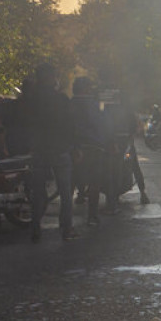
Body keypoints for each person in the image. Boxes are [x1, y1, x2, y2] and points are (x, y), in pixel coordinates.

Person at [18, 63, 75, 242]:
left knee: (38, 192)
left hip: (39, 151)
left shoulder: (30, 101)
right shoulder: (61, 99)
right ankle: (66, 228)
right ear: (52, 79)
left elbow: (26, 126)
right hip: (59, 150)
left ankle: (35, 228)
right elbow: (69, 126)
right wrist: (73, 147)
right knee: (66, 192)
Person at [69, 77, 105, 225]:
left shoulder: (69, 104)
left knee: (70, 182)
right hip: (92, 147)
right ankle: (92, 216)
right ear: (85, 89)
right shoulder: (92, 104)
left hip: (72, 147)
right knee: (94, 182)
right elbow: (99, 124)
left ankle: (67, 219)